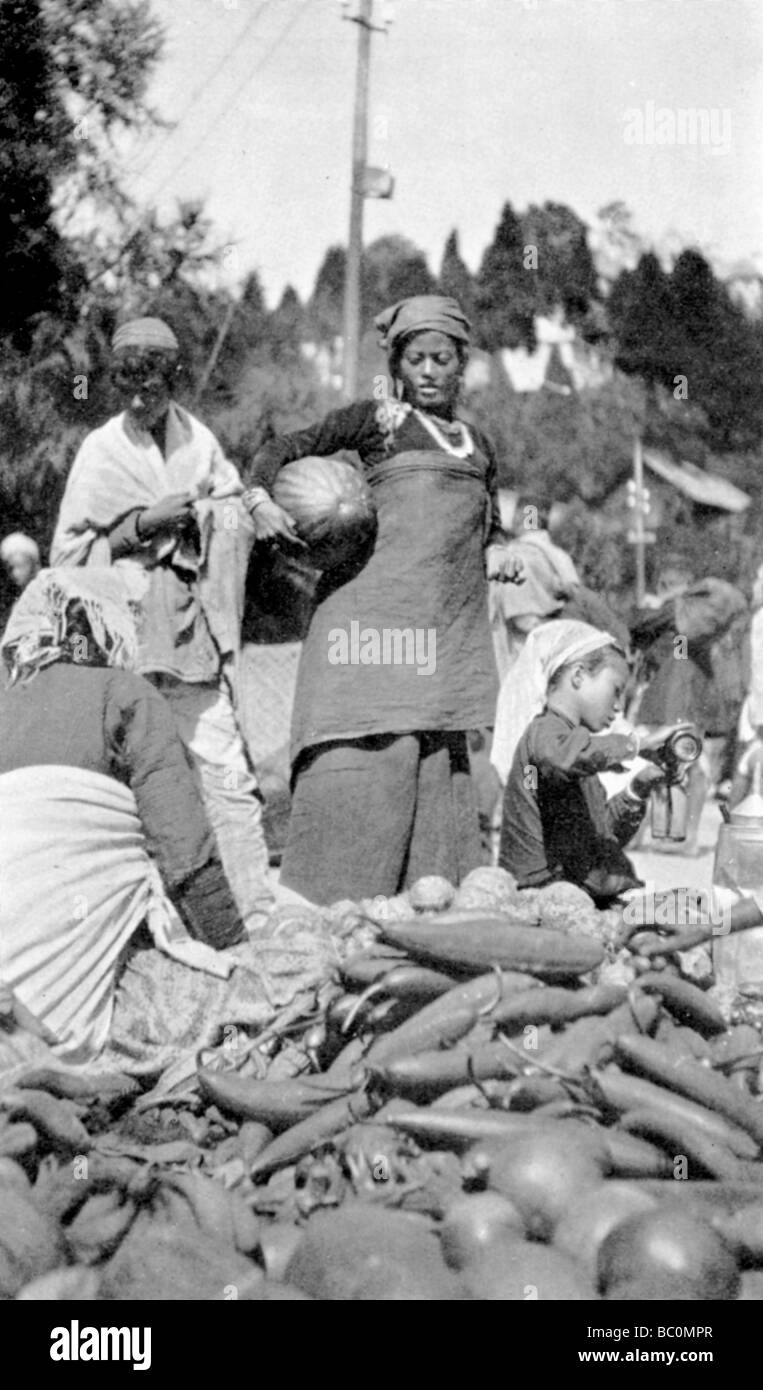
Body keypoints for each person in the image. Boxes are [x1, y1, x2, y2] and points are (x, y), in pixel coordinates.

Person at [241, 294, 523, 905]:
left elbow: (490, 521)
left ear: (461, 364)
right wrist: (260, 499)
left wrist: (498, 551)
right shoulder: (377, 423)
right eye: (415, 358)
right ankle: (332, 910)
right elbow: (282, 449)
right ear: (396, 364)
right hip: (370, 625)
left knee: (433, 756)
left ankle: (423, 919)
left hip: (441, 636)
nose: (427, 371)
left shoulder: (478, 445)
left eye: (441, 358)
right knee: (374, 751)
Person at [50, 316, 273, 931]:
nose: (140, 399)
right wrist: (143, 526)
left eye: (153, 385)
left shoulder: (200, 444)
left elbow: (233, 514)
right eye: (127, 386)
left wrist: (201, 515)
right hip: (123, 640)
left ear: (174, 380)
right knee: (124, 788)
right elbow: (66, 556)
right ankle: (129, 928)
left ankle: (254, 918)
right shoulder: (101, 450)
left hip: (190, 633)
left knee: (227, 778)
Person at [0, 568, 245, 1062]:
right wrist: (236, 949)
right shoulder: (125, 693)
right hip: (57, 1013)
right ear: (109, 626)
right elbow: (183, 850)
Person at [496, 621, 665, 906]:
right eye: (615, 690)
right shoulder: (546, 733)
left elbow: (600, 835)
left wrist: (636, 792)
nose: (618, 707)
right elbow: (563, 759)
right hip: (538, 892)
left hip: (566, 889)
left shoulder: (573, 747)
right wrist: (634, 744)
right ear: (578, 676)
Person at [630, 552, 747, 852]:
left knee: (657, 762)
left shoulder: (676, 611)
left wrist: (665, 602)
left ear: (668, 583)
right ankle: (685, 836)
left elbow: (635, 628)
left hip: (668, 699)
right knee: (687, 765)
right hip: (688, 699)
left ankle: (647, 834)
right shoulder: (699, 616)